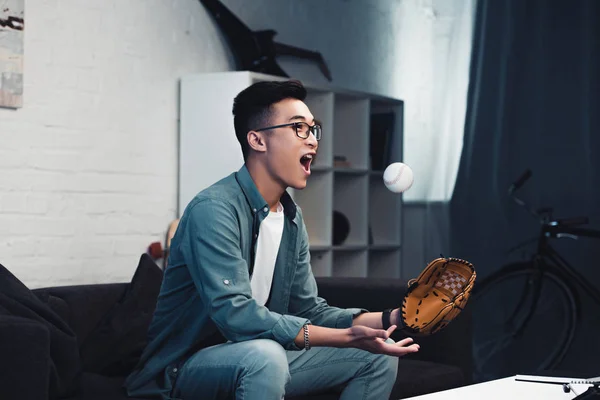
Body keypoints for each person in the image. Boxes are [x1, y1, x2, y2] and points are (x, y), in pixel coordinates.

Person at [124, 80, 419, 400]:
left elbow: (310, 310)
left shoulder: (291, 219)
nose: (312, 141)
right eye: (298, 128)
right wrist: (342, 337)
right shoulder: (213, 210)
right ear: (257, 140)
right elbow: (235, 314)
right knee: (265, 355)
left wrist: (398, 316)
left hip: (258, 358)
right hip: (184, 370)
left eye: (313, 129)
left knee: (380, 354)